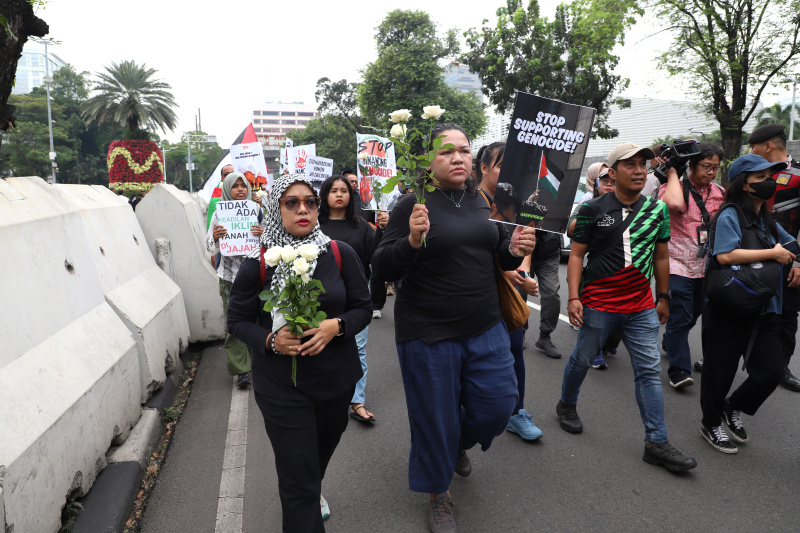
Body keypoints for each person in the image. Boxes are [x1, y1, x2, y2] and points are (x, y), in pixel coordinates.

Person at [372, 123, 536, 532]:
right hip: (427, 334)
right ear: (428, 161)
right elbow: (382, 266)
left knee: (499, 404)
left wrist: (514, 248)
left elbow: (497, 254)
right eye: (446, 152)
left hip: (486, 327)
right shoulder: (411, 204)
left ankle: (456, 444)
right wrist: (411, 241)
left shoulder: (482, 200)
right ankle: (439, 494)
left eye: (464, 150)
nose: (458, 158)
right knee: (435, 418)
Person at [227, 173, 371, 531]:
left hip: (335, 383)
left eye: (310, 202)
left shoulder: (339, 253)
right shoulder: (259, 262)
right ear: (276, 210)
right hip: (281, 388)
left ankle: (311, 484)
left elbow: (363, 308)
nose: (302, 209)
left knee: (314, 461)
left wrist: (336, 326)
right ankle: (306, 495)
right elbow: (237, 321)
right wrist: (270, 341)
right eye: (291, 203)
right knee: (298, 482)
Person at [560, 142, 697, 472]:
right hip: (598, 304)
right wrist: (574, 297)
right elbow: (576, 255)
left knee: (649, 371)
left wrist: (663, 296)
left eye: (642, 165)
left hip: (641, 307)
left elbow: (661, 256)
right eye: (630, 165)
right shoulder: (593, 209)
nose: (638, 171)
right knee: (581, 359)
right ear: (612, 172)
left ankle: (656, 442)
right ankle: (567, 404)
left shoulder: (657, 210)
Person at [700, 154, 795, 453]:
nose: (769, 182)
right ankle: (711, 423)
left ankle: (733, 406)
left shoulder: (767, 219)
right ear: (743, 184)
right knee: (719, 371)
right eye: (761, 177)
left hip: (765, 307)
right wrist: (773, 254)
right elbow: (725, 255)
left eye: (770, 176)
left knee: (771, 372)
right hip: (730, 304)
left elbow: (791, 246)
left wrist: (795, 260)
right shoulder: (729, 214)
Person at [476, 142, 543, 441]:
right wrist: (507, 273)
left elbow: (525, 242)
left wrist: (524, 274)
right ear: (483, 168)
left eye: (514, 167)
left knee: (515, 348)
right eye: (503, 166)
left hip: (509, 292)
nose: (509, 174)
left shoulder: (520, 202)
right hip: (476, 295)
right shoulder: (470, 203)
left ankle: (517, 412)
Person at [318, 174, 388, 423]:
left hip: (356, 294)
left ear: (351, 196)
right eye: (334, 190)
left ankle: (357, 401)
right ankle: (326, 396)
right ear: (324, 195)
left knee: (357, 348)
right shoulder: (314, 225)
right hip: (321, 295)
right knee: (322, 344)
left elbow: (372, 257)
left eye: (344, 190)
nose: (339, 194)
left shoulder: (361, 226)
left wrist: (381, 230)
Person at [658, 143, 726, 389]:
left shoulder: (720, 192)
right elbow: (674, 205)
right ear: (691, 165)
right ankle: (679, 371)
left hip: (705, 266)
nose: (711, 172)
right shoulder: (672, 188)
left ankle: (670, 342)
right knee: (681, 315)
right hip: (676, 264)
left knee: (694, 313)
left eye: (715, 168)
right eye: (706, 166)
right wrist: (672, 173)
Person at [749, 123, 800, 392]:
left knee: (787, 315)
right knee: (741, 304)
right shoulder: (749, 173)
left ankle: (781, 367)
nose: (750, 151)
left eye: (754, 146)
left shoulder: (798, 174)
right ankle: (725, 356)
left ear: (768, 146)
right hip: (750, 254)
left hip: (790, 259)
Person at [205, 171, 264, 387]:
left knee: (258, 319)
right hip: (230, 276)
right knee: (235, 320)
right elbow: (209, 247)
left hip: (256, 274)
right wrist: (215, 237)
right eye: (235, 186)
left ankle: (258, 362)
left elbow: (272, 240)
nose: (240, 189)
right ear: (228, 189)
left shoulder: (257, 210)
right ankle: (241, 370)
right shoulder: (219, 214)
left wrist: (262, 233)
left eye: (243, 185)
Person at [567, 168, 619, 370]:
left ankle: (609, 342)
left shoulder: (629, 205)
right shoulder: (588, 205)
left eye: (613, 182)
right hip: (594, 268)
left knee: (619, 322)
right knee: (593, 314)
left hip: (621, 271)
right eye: (605, 181)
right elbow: (571, 229)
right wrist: (594, 215)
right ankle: (595, 352)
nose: (609, 185)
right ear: (596, 184)